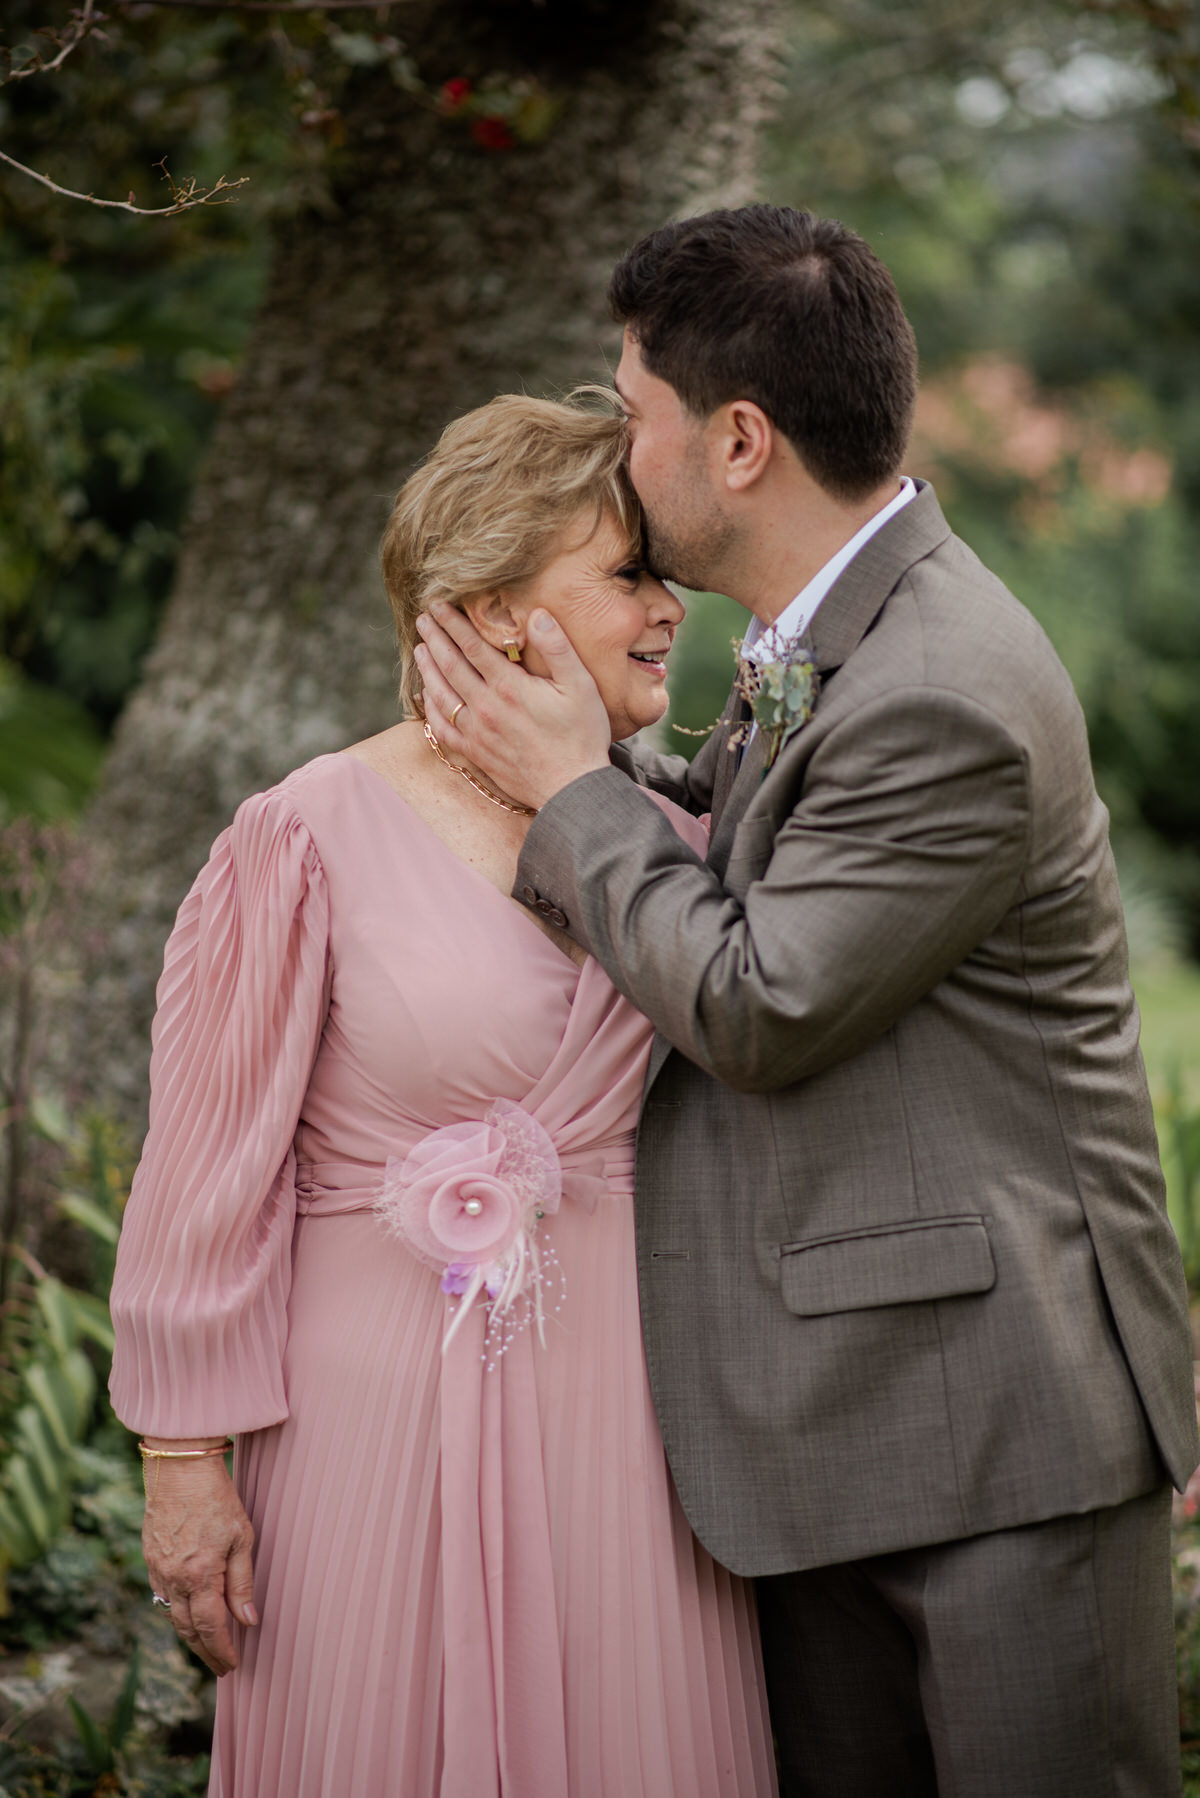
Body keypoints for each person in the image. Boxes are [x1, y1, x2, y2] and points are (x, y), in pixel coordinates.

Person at [414, 205, 1200, 1797]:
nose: (620, 450)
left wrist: (570, 791)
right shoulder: (826, 633)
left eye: (634, 412)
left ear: (740, 441)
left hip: (997, 1431)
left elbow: (760, 1001)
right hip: (845, 1412)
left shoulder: (943, 690)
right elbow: (736, 837)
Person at [108, 393, 778, 1798]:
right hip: (370, 1427)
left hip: (635, 1430)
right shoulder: (306, 834)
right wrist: (182, 1460)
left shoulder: (678, 840)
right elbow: (206, 1172)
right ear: (488, 609)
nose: (672, 608)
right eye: (629, 574)